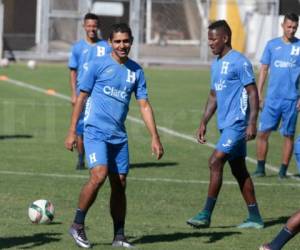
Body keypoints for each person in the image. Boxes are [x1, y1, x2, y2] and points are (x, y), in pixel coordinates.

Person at [65, 23, 164, 249]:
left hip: (118, 136)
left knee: (119, 183)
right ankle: (77, 224)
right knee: (99, 175)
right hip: (94, 131)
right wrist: (72, 131)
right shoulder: (97, 66)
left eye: (126, 41)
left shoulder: (136, 71)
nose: (122, 45)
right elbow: (81, 98)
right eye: (118, 41)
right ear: (110, 42)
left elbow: (145, 105)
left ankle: (119, 236)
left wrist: (155, 137)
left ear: (131, 42)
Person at [186, 20, 264, 229]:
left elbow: (253, 92)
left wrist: (252, 122)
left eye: (213, 39)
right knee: (239, 170)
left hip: (238, 124)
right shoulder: (217, 64)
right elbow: (213, 96)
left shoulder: (240, 61)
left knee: (215, 161)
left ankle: (205, 214)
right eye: (208, 39)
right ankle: (255, 217)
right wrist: (203, 122)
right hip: (225, 125)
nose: (210, 43)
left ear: (225, 38)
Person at [253, 13, 300, 178]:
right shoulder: (272, 45)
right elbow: (263, 69)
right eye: (289, 26)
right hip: (272, 99)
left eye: (295, 27)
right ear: (283, 25)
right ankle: (260, 168)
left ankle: (282, 171)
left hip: (292, 100)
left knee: (288, 135)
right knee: (263, 133)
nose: (292, 30)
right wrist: (259, 94)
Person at [68, 13, 111, 170]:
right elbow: (73, 72)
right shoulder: (77, 47)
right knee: (81, 128)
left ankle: (102, 159)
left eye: (94, 26)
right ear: (84, 26)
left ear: (97, 27)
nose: (92, 29)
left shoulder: (106, 47)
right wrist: (74, 93)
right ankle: (81, 158)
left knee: (102, 126)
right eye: (89, 26)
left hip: (99, 94)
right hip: (82, 94)